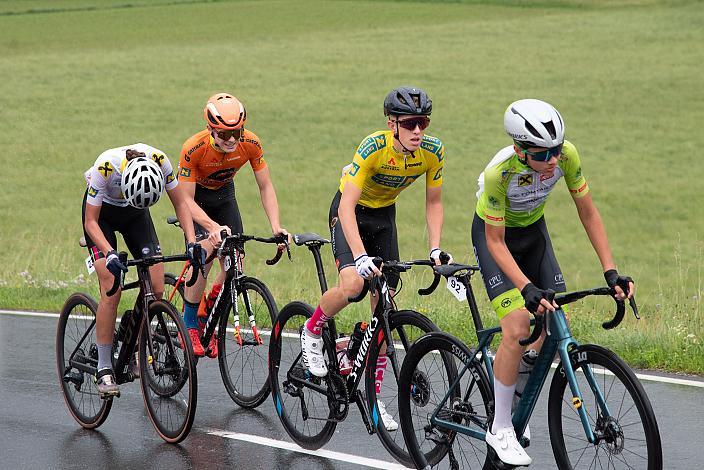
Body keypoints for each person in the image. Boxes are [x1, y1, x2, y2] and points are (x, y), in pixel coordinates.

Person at [472, 99, 635, 465]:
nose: (553, 159)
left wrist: (610, 271)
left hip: (533, 235)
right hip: (495, 239)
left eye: (558, 149)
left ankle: (513, 395)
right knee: (516, 326)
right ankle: (499, 428)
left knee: (552, 321)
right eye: (544, 152)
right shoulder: (500, 173)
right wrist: (525, 288)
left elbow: (588, 212)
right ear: (519, 148)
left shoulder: (567, 157)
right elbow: (495, 242)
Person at [300, 86, 452, 431]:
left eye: (423, 123)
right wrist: (359, 255)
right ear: (392, 123)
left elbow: (434, 203)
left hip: (384, 219)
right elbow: (346, 206)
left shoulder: (432, 151)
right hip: (350, 214)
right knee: (354, 284)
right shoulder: (373, 147)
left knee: (384, 310)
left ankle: (372, 394)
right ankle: (312, 328)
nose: (418, 131)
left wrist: (435, 247)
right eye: (410, 123)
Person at [83, 143, 203, 397]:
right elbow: (90, 222)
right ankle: (104, 367)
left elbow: (181, 204)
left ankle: (130, 332)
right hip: (101, 217)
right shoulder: (104, 168)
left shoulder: (161, 161)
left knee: (157, 288)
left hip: (136, 214)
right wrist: (109, 252)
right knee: (111, 288)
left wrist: (191, 243)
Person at [178, 92, 288, 358]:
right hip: (196, 202)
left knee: (234, 262)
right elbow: (184, 200)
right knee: (204, 256)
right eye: (223, 134)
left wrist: (276, 226)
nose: (230, 140)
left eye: (236, 133)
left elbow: (266, 186)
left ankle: (210, 308)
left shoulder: (250, 143)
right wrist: (211, 226)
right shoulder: (193, 148)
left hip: (225, 196)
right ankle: (190, 321)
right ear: (210, 129)